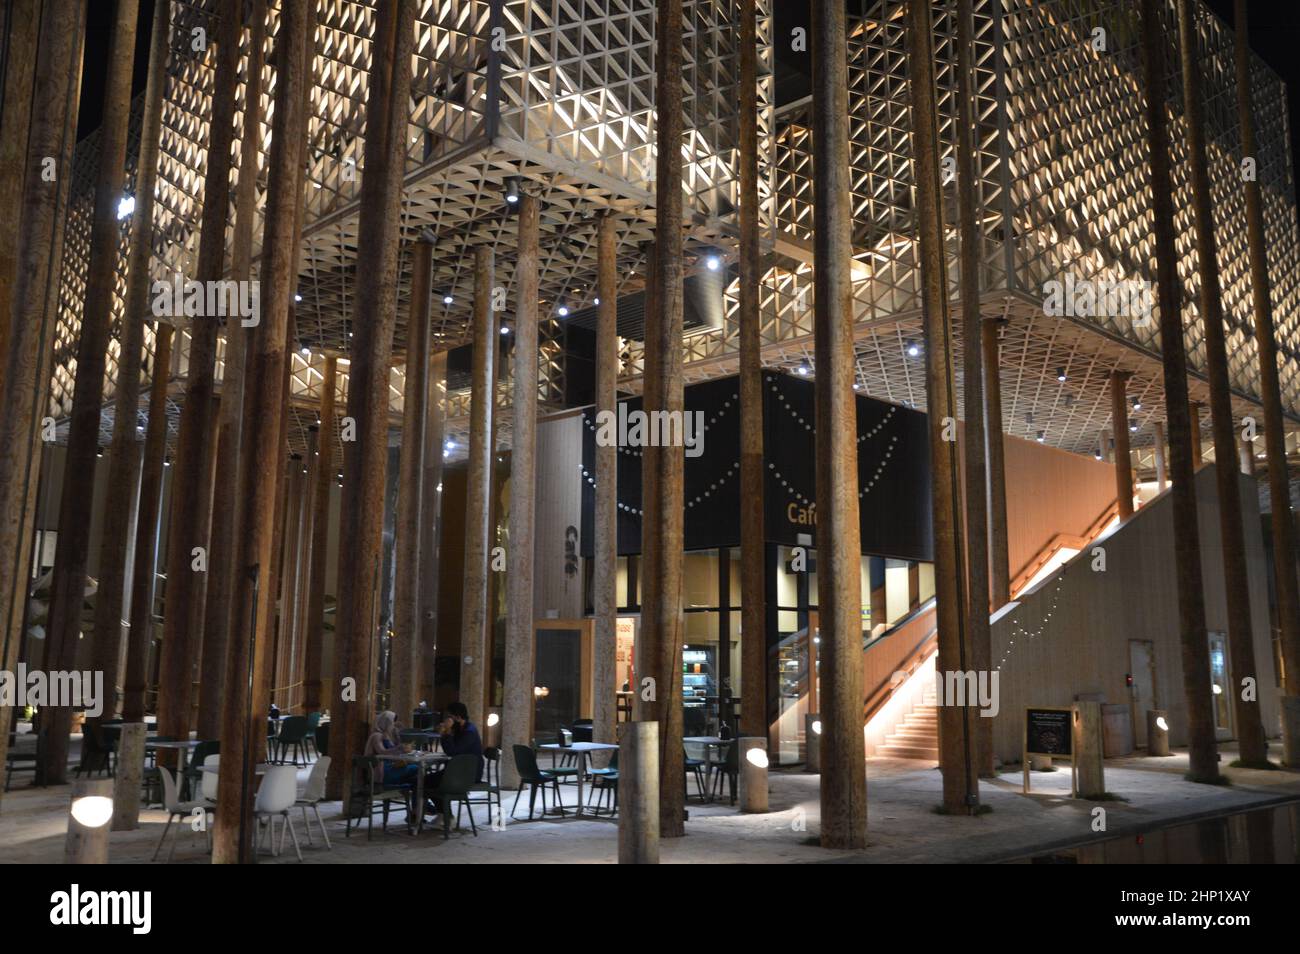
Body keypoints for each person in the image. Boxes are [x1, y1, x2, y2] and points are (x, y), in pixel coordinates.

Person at [365, 710, 420, 789]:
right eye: (392, 722)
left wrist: (397, 736)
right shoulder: (376, 735)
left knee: (415, 772)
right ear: (385, 722)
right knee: (417, 769)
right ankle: (413, 793)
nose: (393, 725)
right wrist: (398, 748)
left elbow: (393, 750)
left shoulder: (384, 735)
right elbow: (382, 752)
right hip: (383, 773)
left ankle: (411, 790)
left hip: (388, 768)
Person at [438, 701, 483, 782]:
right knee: (420, 781)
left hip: (469, 774)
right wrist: (444, 734)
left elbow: (452, 752)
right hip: (458, 770)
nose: (447, 720)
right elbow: (448, 750)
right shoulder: (459, 729)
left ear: (458, 718)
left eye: (449, 717)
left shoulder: (469, 732)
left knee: (424, 783)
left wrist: (447, 732)